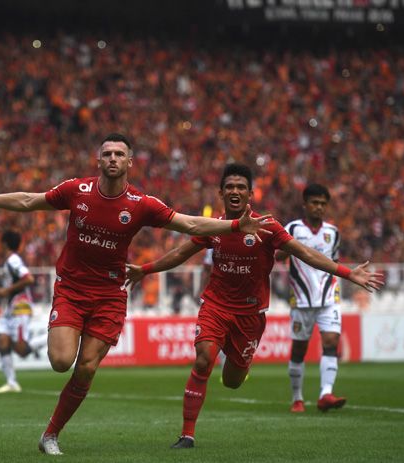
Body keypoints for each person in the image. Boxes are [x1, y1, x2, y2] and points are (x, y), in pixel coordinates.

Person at [0, 133, 274, 455]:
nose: (113, 159)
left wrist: (233, 227)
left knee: (86, 368)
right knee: (61, 361)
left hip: (109, 296)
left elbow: (190, 225)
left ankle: (50, 435)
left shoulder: (142, 204)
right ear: (98, 160)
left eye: (119, 154)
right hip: (71, 290)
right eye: (107, 154)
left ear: (129, 162)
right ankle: (53, 429)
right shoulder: (77, 191)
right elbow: (30, 201)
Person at [125, 164, 383, 449]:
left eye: (240, 187)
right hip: (216, 306)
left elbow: (305, 253)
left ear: (250, 193)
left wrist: (348, 273)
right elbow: (180, 253)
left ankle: (240, 365)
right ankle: (187, 435)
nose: (235, 191)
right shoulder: (214, 228)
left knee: (232, 381)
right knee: (203, 358)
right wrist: (145, 269)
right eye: (230, 187)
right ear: (221, 192)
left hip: (250, 314)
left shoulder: (268, 227)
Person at [280, 184, 350, 413]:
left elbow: (335, 261)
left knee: (331, 342)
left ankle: (325, 394)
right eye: (314, 203)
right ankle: (297, 398)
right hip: (301, 300)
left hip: (329, 297)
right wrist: (287, 249)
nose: (319, 207)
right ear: (305, 204)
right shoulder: (293, 228)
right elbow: (278, 255)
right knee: (299, 349)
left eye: (322, 203)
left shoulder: (333, 233)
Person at [0, 230, 41, 394]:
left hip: (21, 307)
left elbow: (29, 278)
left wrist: (5, 291)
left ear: (4, 244)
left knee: (21, 350)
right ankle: (11, 383)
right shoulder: (10, 261)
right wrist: (2, 290)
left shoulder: (13, 260)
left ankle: (52, 337)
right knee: (2, 341)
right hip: (11, 307)